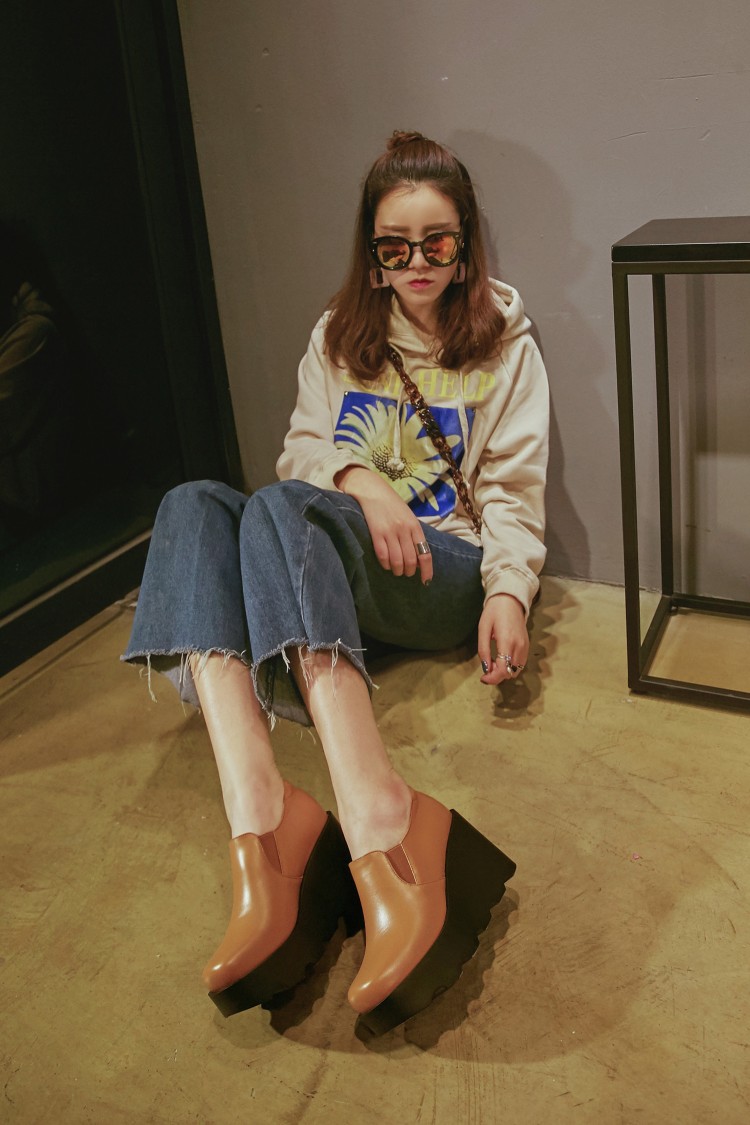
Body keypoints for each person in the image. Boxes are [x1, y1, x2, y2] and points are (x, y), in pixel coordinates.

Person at [123, 130, 549, 1036]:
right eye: (395, 246)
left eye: (437, 242)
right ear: (372, 251)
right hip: (343, 566)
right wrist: (362, 480)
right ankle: (262, 817)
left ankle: (379, 818)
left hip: (443, 569)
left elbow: (513, 491)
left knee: (282, 505)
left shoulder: (502, 343)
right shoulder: (339, 337)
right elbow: (304, 452)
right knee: (192, 504)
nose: (417, 264)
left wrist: (508, 591)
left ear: (465, 243)